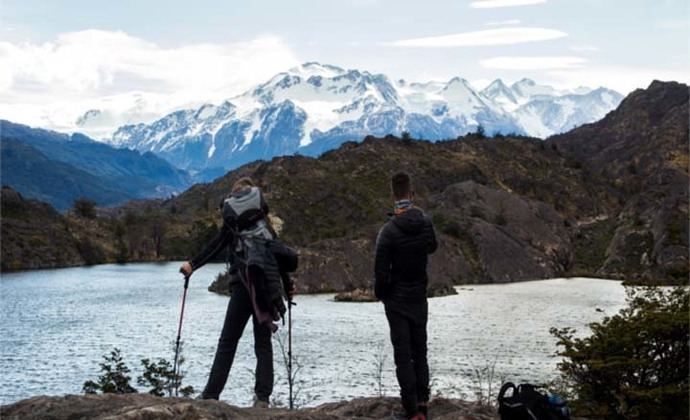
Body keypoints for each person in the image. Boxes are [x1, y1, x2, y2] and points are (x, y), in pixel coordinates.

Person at [179, 177, 296, 407]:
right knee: (263, 342)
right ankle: (262, 398)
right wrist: (287, 286)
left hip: (243, 286)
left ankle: (211, 395)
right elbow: (276, 257)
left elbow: (216, 244)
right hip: (265, 289)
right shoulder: (265, 224)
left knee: (228, 341)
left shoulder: (233, 223)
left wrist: (192, 265)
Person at [374, 172, 437, 420]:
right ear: (412, 194)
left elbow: (380, 273)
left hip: (397, 301)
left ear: (393, 195)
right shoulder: (425, 223)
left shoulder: (387, 232)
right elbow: (432, 246)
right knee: (420, 351)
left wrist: (383, 295)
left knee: (403, 355)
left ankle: (410, 410)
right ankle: (422, 404)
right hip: (419, 297)